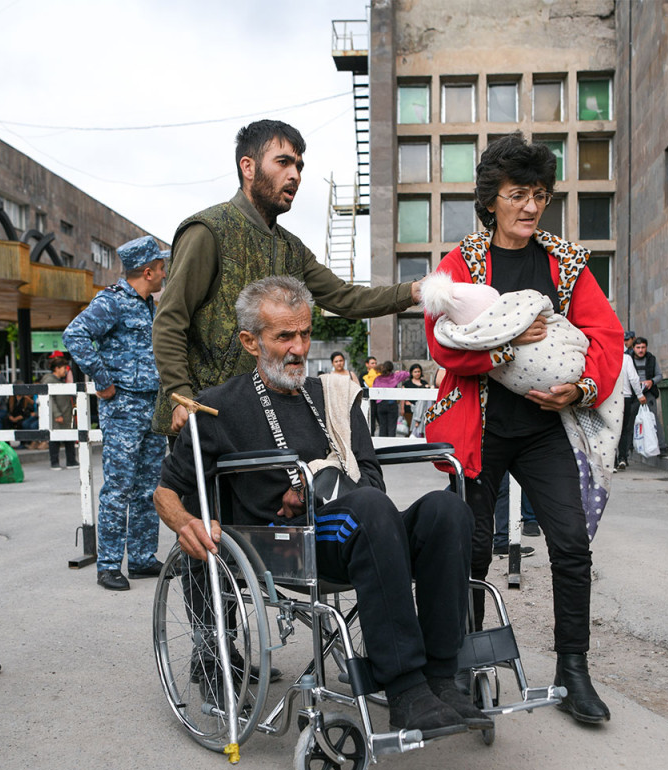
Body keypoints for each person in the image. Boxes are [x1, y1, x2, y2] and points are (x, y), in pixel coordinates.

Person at [153, 276, 488, 737]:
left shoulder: (334, 394)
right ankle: (406, 689)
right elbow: (165, 492)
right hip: (283, 544)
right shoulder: (216, 408)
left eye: (305, 334)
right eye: (283, 336)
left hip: (357, 522)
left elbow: (371, 477)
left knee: (448, 512)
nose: (298, 348)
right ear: (251, 341)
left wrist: (318, 485)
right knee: (369, 509)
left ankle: (441, 678)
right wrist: (186, 523)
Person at [425, 133, 624, 726]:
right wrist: (505, 348)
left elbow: (606, 337)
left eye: (540, 194)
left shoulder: (565, 261)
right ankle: (460, 663)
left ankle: (573, 669)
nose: (531, 206)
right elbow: (441, 342)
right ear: (491, 200)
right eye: (517, 194)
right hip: (479, 426)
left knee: (569, 543)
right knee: (471, 548)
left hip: (543, 427)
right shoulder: (462, 261)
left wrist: (581, 387)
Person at [151, 120, 420, 437]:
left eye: (299, 166)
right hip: (205, 420)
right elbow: (170, 320)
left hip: (265, 419)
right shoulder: (208, 231)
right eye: (283, 162)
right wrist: (181, 397)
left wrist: (416, 291)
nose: (295, 175)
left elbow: (347, 299)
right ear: (248, 167)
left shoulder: (292, 249)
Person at [64, 236, 170, 591]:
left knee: (147, 489)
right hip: (123, 408)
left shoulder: (149, 305)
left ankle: (140, 558)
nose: (164, 271)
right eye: (161, 266)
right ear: (147, 270)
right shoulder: (113, 301)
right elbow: (75, 334)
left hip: (151, 405)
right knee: (119, 488)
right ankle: (108, 565)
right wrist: (102, 377)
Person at [41, 352, 77, 469]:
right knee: (55, 438)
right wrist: (57, 414)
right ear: (56, 368)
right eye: (63, 368)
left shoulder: (60, 380)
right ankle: (54, 462)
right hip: (58, 414)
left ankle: (71, 460)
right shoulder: (49, 380)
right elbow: (51, 400)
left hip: (66, 413)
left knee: (69, 437)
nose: (65, 371)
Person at [614, 333, 645, 470]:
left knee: (612, 429)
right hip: (626, 397)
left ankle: (612, 461)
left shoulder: (607, 358)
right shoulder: (626, 359)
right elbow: (633, 378)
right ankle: (622, 458)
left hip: (610, 399)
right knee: (625, 429)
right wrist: (639, 394)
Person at [630, 337, 664, 452]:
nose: (641, 350)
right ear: (633, 348)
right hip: (633, 393)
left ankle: (661, 447)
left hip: (649, 392)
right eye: (638, 347)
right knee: (630, 419)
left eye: (643, 347)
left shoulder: (651, 359)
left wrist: (651, 382)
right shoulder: (628, 360)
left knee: (653, 418)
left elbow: (659, 376)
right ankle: (629, 449)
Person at [370, 361, 410, 437]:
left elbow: (374, 389)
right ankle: (391, 446)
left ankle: (383, 446)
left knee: (382, 427)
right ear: (392, 369)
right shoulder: (395, 376)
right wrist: (398, 372)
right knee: (392, 427)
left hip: (380, 404)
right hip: (391, 404)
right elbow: (407, 374)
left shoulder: (378, 379)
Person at [401, 362, 431, 437]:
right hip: (409, 409)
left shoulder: (424, 383)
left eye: (419, 371)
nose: (417, 373)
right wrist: (402, 409)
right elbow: (402, 397)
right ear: (411, 373)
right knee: (410, 429)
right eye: (415, 372)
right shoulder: (407, 384)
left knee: (421, 430)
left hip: (422, 410)